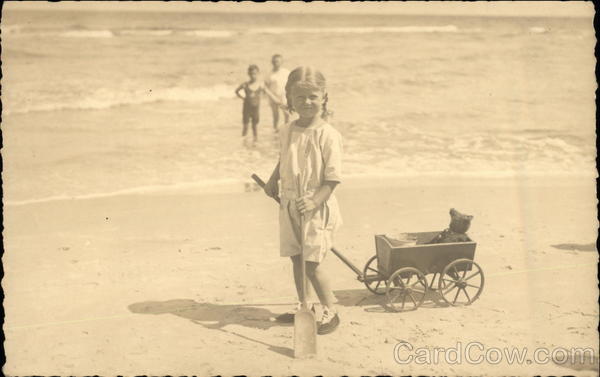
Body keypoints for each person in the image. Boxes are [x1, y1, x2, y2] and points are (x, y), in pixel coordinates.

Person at [263, 66, 343, 335]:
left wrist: (315, 201)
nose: (307, 103)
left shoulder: (328, 135)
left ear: (324, 97)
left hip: (316, 207)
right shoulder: (286, 130)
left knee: (312, 262)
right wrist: (274, 179)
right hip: (289, 202)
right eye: (300, 98)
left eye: (313, 96)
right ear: (289, 100)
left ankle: (330, 310)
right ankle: (304, 306)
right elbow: (285, 158)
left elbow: (332, 179)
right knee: (296, 257)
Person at [235, 64, 281, 143]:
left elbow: (268, 93)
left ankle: (255, 142)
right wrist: (243, 98)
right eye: (251, 73)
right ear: (248, 74)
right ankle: (243, 143)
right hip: (246, 109)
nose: (253, 75)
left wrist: (277, 100)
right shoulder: (245, 84)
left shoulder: (260, 84)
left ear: (258, 73)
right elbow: (236, 91)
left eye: (255, 73)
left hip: (255, 109)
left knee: (254, 126)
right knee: (245, 126)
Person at [265, 54, 291, 132]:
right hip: (273, 96)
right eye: (274, 61)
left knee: (287, 114)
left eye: (277, 61)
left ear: (281, 62)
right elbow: (265, 87)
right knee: (275, 115)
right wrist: (271, 95)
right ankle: (275, 131)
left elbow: (292, 83)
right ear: (272, 62)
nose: (275, 63)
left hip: (284, 96)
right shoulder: (269, 74)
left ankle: (286, 130)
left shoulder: (286, 72)